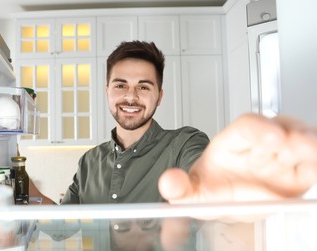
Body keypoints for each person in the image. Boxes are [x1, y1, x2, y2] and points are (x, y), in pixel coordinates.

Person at [31, 40, 317, 206]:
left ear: (159, 96)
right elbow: (62, 226)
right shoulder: (88, 162)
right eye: (121, 85)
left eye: (144, 87)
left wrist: (217, 183)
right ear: (107, 91)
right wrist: (22, 186)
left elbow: (202, 171)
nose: (131, 96)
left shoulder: (184, 143)